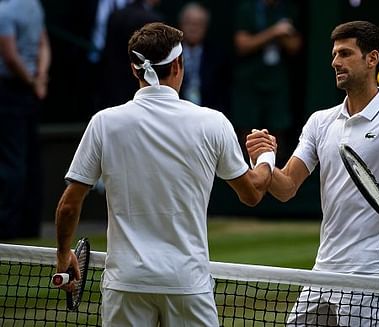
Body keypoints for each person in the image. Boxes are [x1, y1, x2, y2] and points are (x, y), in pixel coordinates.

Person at [54, 22, 275, 326]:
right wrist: (265, 154)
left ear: (135, 71)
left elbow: (69, 204)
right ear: (179, 64)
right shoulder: (213, 123)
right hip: (187, 284)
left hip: (126, 284)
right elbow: (252, 193)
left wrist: (63, 253)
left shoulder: (104, 123)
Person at [246, 20, 379, 326]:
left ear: (372, 59)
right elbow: (285, 188)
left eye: (345, 53)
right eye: (335, 54)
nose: (335, 62)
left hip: (370, 271)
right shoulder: (320, 122)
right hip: (323, 268)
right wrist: (265, 158)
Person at [0, 0, 51, 239]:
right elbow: (44, 46)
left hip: (11, 90)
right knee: (28, 159)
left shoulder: (4, 12)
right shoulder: (34, 6)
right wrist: (40, 78)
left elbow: (9, 56)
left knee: (13, 161)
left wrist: (32, 81)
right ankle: (30, 226)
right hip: (29, 91)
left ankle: (9, 227)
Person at [232, 0, 302, 165]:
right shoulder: (247, 9)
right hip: (249, 81)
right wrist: (275, 32)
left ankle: (274, 177)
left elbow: (294, 45)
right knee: (246, 131)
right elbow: (242, 45)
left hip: (277, 82)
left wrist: (280, 36)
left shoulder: (288, 9)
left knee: (278, 130)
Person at [98, 0, 163, 108]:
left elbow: (109, 55)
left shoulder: (116, 15)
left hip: (115, 87)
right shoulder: (153, 20)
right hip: (143, 89)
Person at [178, 2, 231, 114]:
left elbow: (222, 94)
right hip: (177, 112)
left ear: (206, 27)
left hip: (209, 113)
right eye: (189, 23)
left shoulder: (218, 56)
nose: (193, 28)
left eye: (198, 24)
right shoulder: (170, 55)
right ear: (181, 25)